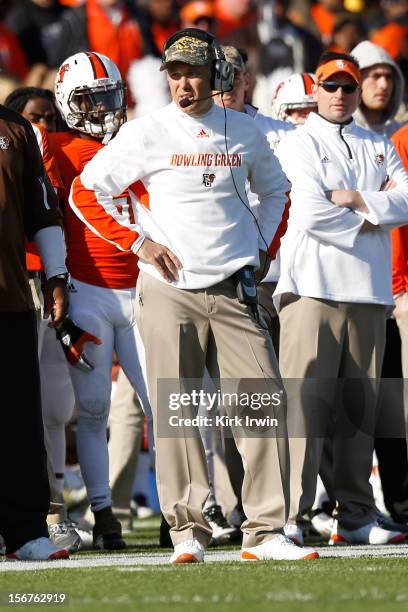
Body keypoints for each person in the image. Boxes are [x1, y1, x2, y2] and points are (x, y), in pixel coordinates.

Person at [70, 28, 319, 563]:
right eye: (174, 74)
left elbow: (277, 190)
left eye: (193, 73)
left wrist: (262, 247)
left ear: (217, 76)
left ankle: (268, 531)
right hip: (166, 291)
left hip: (234, 288)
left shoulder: (244, 132)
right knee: (179, 413)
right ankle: (187, 530)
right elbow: (86, 189)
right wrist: (139, 243)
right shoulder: (146, 131)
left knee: (260, 406)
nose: (183, 84)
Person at [275, 51, 408, 546]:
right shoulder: (297, 142)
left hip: (369, 292)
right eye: (330, 86)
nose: (338, 95)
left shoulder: (378, 143)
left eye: (347, 87)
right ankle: (289, 514)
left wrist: (355, 200)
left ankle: (354, 514)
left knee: (361, 411)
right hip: (311, 286)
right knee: (302, 408)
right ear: (317, 90)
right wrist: (377, 213)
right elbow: (310, 212)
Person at [52, 50, 150, 550]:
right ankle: (103, 512)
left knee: (165, 402)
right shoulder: (54, 148)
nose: (102, 111)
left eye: (108, 98)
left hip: (143, 286)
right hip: (86, 288)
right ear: (68, 104)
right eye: (89, 101)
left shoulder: (137, 140)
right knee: (91, 410)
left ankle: (187, 509)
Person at [0, 102, 70, 561]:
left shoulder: (15, 129)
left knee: (18, 422)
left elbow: (43, 212)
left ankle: (26, 530)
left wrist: (56, 274)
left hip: (8, 297)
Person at [351, 40, 404, 138]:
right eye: (376, 76)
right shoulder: (343, 133)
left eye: (388, 77)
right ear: (356, 81)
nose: (384, 85)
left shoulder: (401, 134)